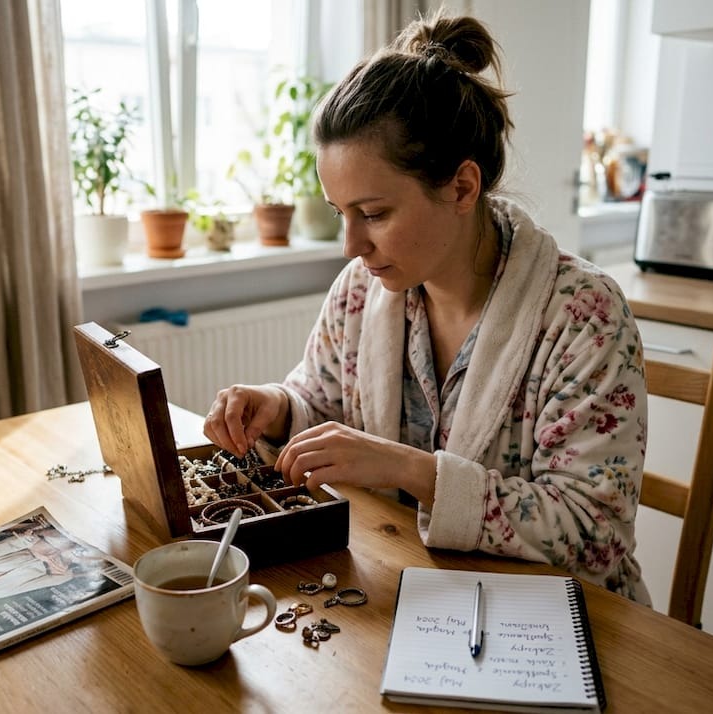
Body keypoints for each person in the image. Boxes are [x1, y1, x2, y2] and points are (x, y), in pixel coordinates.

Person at [202, 13, 651, 604]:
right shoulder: (361, 291)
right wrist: (279, 410)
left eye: (375, 214)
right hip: (404, 593)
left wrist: (412, 470)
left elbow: (593, 534)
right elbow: (324, 404)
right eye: (342, 213)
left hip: (561, 626)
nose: (352, 246)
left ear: (463, 188)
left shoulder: (583, 315)